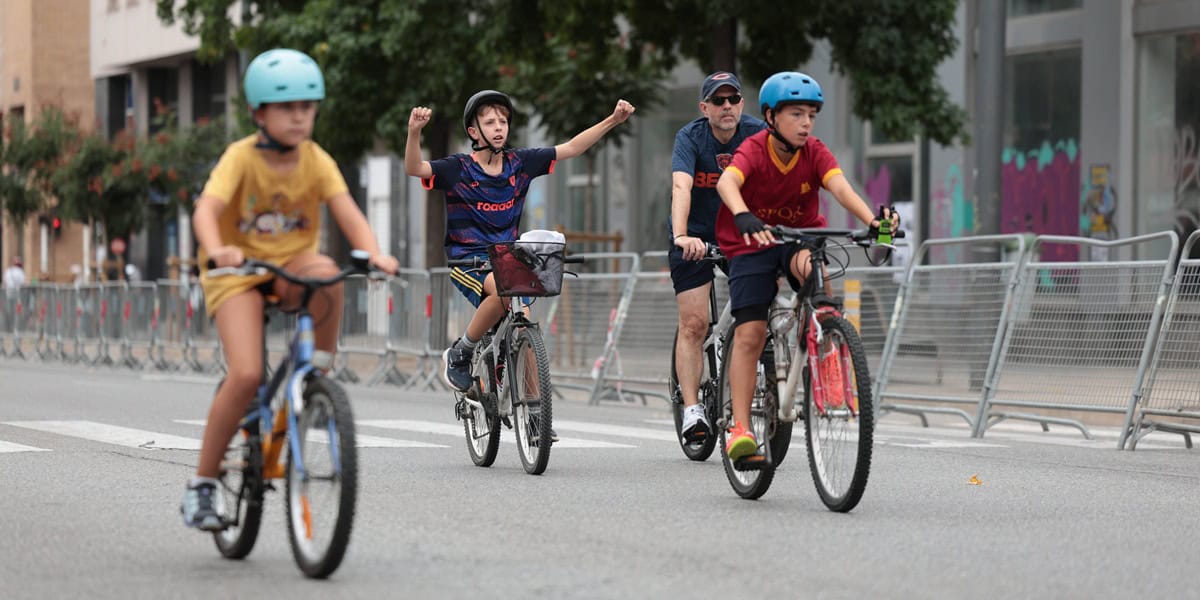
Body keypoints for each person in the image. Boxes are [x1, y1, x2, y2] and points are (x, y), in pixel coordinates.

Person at [180, 48, 399, 531]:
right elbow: (205, 211)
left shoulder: (316, 160)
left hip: (290, 265)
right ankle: (201, 486)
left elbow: (349, 214)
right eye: (287, 107)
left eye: (308, 106)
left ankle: (315, 379)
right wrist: (218, 250)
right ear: (259, 113)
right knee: (245, 375)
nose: (300, 116)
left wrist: (375, 253)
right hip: (236, 272)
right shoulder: (240, 157)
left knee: (326, 270)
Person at [405, 90, 635, 402]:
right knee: (503, 294)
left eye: (503, 121)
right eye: (490, 122)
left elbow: (571, 148)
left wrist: (613, 120)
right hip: (468, 260)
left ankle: (534, 408)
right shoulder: (457, 168)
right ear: (474, 132)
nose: (499, 127)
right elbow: (414, 168)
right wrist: (415, 132)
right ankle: (461, 351)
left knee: (523, 320)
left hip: (506, 258)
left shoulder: (520, 163)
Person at [715, 71, 896, 461]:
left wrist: (872, 223)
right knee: (750, 333)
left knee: (819, 277)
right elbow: (727, 183)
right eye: (796, 114)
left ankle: (824, 349)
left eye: (811, 114)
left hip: (797, 239)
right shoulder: (754, 149)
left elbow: (841, 188)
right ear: (770, 117)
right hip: (751, 242)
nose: (806, 123)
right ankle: (740, 428)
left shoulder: (814, 151)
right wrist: (743, 214)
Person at [668, 72, 767, 443]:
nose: (727, 107)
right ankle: (693, 409)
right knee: (694, 323)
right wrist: (681, 236)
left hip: (739, 233)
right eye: (718, 101)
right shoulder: (690, 137)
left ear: (741, 103)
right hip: (693, 235)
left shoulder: (758, 134)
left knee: (757, 313)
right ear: (704, 107)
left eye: (733, 100)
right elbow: (682, 186)